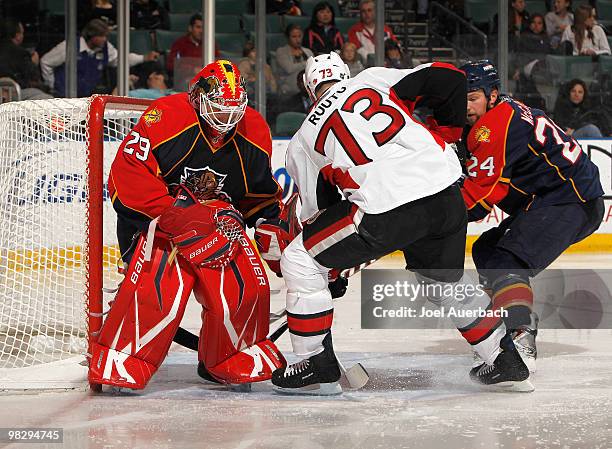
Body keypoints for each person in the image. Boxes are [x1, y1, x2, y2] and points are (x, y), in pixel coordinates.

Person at [271, 53, 527, 395]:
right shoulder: (373, 78)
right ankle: (503, 358)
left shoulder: (302, 139)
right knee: (444, 284)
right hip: (446, 192)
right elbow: (450, 77)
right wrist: (448, 134)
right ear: (346, 75)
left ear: (309, 90)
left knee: (299, 260)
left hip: (386, 207)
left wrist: (331, 272)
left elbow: (320, 214)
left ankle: (315, 363)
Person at [101, 59, 288, 386]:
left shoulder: (254, 131)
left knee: (248, 286)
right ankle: (123, 355)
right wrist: (176, 215)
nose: (227, 119)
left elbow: (259, 195)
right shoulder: (165, 115)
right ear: (197, 97)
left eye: (234, 109)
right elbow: (127, 175)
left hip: (216, 224)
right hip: (156, 220)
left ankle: (230, 355)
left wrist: (276, 231)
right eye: (219, 107)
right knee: (156, 290)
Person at [459, 60, 604, 375]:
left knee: (506, 261)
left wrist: (427, 222)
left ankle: (519, 335)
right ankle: (498, 330)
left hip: (570, 199)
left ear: (493, 95)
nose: (465, 106)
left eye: (472, 98)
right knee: (486, 250)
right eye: (462, 98)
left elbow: (482, 199)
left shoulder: (494, 126)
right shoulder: (505, 111)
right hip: (556, 197)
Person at [40, 19, 159, 97]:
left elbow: (121, 59)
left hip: (87, 97)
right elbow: (46, 62)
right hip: (64, 97)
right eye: (102, 36)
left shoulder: (106, 48)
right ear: (91, 36)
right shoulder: (70, 46)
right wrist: (52, 85)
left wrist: (144, 58)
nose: (105, 39)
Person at [0, 18, 52, 100]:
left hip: (5, 94)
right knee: (48, 98)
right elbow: (32, 80)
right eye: (22, 33)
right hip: (13, 94)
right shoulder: (20, 53)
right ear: (17, 36)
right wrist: (34, 64)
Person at [276, 24, 313, 96]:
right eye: (294, 37)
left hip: (307, 89)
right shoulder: (281, 51)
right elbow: (289, 68)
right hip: (288, 90)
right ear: (288, 37)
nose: (297, 39)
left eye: (299, 36)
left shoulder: (308, 51)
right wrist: (307, 63)